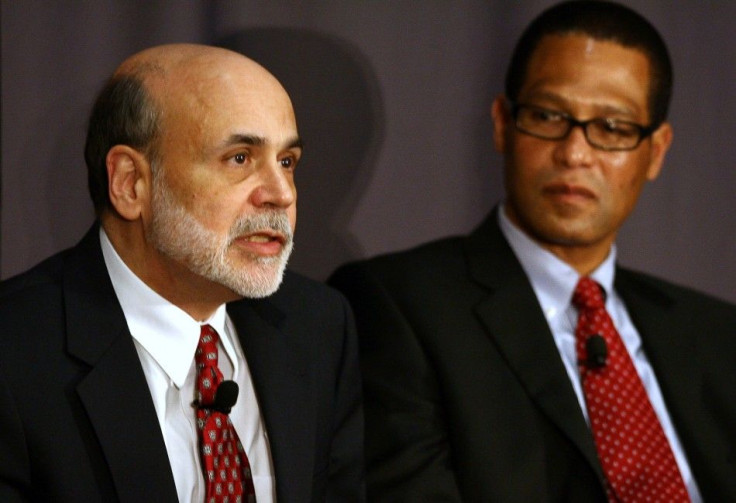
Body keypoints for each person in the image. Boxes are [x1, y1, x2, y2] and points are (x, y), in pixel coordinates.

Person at [329, 1, 736, 501]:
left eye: (612, 128)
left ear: (655, 151)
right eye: (547, 116)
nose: (575, 153)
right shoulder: (398, 306)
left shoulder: (718, 337)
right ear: (503, 123)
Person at [0, 44, 364, 502]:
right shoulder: (14, 354)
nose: (281, 194)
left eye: (287, 162)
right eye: (240, 158)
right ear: (131, 183)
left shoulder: (319, 326)